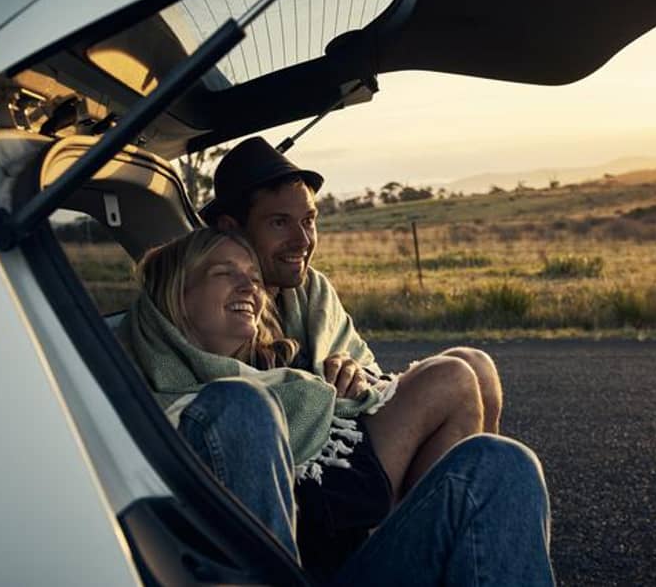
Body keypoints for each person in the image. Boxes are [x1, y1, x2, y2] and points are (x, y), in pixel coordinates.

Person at [119, 228, 554, 584]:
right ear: (177, 295)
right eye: (224, 272)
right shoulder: (161, 406)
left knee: (501, 461)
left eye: (253, 275)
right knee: (239, 402)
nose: (249, 284)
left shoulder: (297, 388)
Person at [202, 136, 505, 437]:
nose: (303, 241)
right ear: (232, 228)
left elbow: (365, 366)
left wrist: (352, 371)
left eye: (308, 221)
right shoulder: (215, 299)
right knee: (454, 378)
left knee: (477, 364)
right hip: (322, 438)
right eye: (280, 223)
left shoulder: (312, 288)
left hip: (351, 412)